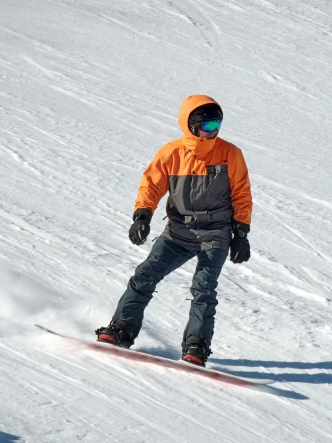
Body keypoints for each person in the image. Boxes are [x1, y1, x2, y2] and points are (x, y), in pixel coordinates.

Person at [95, 94, 252, 367]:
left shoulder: (230, 154)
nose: (213, 132)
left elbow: (241, 193)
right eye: (208, 126)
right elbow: (152, 185)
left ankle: (196, 345)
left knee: (203, 288)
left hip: (215, 233)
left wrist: (241, 233)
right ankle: (121, 329)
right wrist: (142, 215)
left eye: (217, 126)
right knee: (145, 274)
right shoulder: (171, 152)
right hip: (179, 231)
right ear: (191, 125)